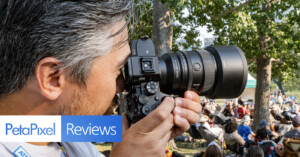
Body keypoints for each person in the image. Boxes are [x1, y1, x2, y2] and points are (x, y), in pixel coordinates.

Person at [0, 1, 202, 156]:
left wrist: (152, 130)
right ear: (53, 78)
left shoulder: (57, 130)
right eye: (118, 69)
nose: (123, 84)